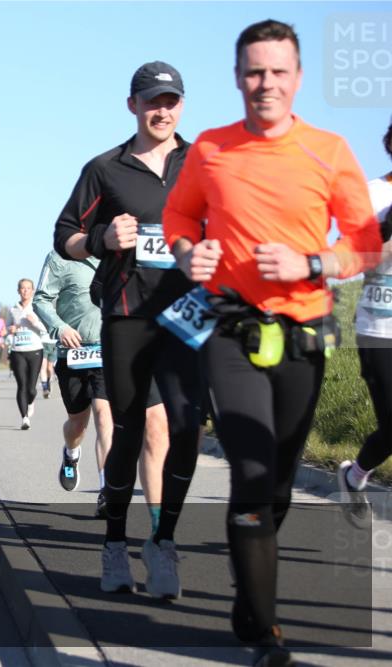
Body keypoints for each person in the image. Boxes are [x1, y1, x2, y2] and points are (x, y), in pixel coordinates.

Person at [163, 20, 381, 666]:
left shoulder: (330, 150)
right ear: (236, 78)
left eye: (278, 72)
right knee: (253, 472)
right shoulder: (209, 149)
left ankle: (247, 593)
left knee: (278, 482)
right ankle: (266, 633)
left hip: (304, 337)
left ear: (298, 78)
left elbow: (365, 243)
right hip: (228, 330)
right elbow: (180, 214)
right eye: (254, 72)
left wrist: (312, 265)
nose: (266, 84)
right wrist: (186, 252)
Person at [53, 61, 205, 600]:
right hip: (127, 314)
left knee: (184, 430)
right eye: (151, 101)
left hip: (189, 317)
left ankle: (162, 541)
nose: (161, 110)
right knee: (134, 429)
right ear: (132, 106)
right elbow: (64, 234)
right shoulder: (105, 169)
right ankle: (116, 543)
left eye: (171, 101)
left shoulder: (204, 163)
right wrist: (100, 238)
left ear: (181, 106)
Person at [33, 250, 170, 526]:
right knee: (77, 425)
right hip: (71, 353)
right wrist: (59, 328)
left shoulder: (121, 253)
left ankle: (106, 493)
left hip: (108, 350)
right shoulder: (61, 257)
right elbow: (41, 300)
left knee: (104, 416)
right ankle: (70, 453)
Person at [339, 119, 392, 529]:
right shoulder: (375, 195)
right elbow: (357, 259)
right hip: (381, 325)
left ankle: (355, 475)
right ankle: (354, 476)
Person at [6, 279, 49, 429]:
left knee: (31, 388)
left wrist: (35, 322)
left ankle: (30, 402)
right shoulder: (13, 309)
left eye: (28, 288)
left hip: (35, 350)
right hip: (18, 351)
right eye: (22, 288)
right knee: (22, 385)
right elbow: (7, 331)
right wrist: (10, 331)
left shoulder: (37, 308)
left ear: (33, 291)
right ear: (18, 290)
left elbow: (46, 329)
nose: (25, 291)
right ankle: (24, 418)